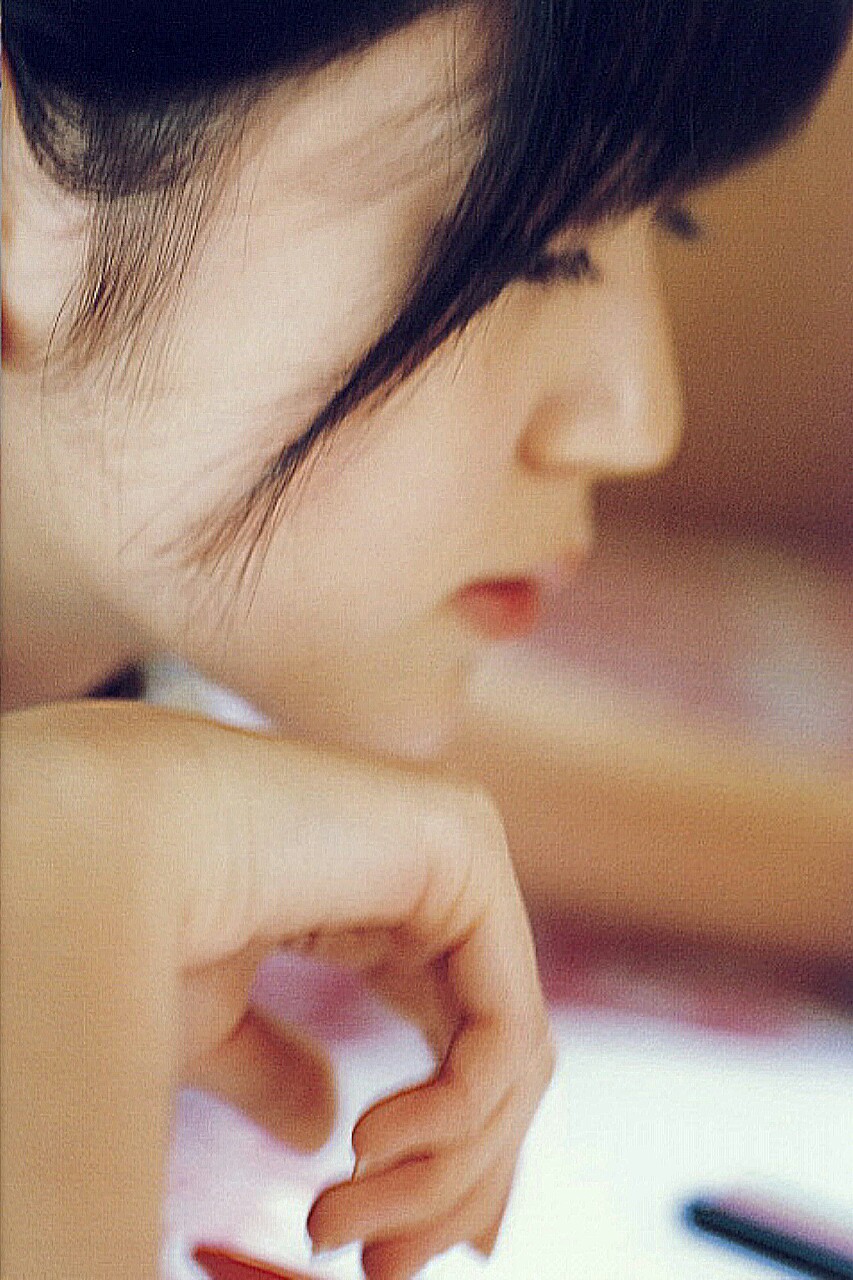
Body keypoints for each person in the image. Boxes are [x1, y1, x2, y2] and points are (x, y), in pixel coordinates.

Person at [2, 2, 850, 1277]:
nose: (638, 418)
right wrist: (68, 868)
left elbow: (557, 789)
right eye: (532, 249)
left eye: (664, 222)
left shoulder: (161, 664)